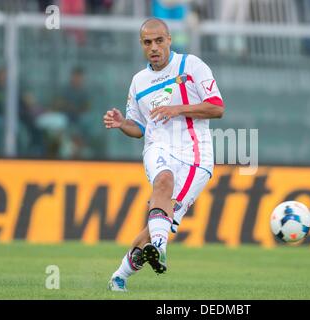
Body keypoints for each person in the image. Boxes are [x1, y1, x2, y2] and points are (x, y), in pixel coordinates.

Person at [103, 18, 224, 292]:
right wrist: (123, 124)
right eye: (148, 42)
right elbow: (139, 127)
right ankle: (160, 247)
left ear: (169, 40)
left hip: (197, 158)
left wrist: (178, 109)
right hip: (158, 147)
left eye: (159, 41)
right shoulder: (138, 82)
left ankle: (120, 275)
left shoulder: (191, 65)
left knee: (161, 221)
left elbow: (217, 108)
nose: (154, 47)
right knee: (163, 181)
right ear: (142, 45)